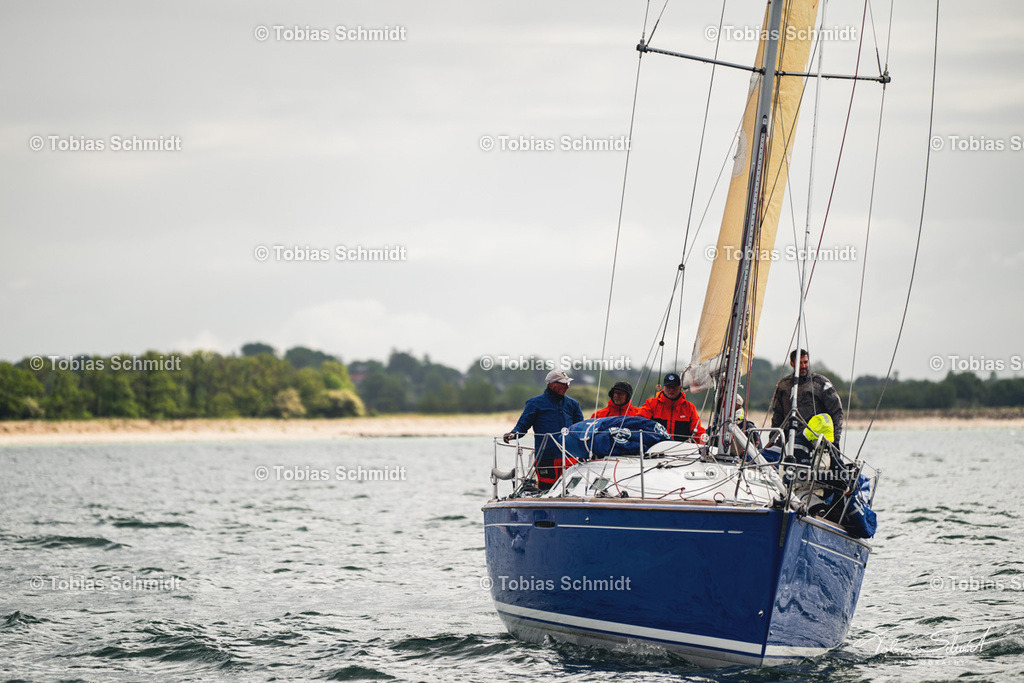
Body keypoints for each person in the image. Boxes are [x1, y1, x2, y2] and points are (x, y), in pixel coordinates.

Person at [504, 369, 585, 490]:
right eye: (564, 384)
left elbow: (580, 430)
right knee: (546, 489)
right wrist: (513, 434)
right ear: (552, 385)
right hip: (546, 457)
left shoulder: (573, 404)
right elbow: (522, 425)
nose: (567, 387)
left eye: (568, 383)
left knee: (572, 489)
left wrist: (583, 452)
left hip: (570, 456)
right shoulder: (534, 403)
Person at [770, 349, 844, 446]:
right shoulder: (783, 386)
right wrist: (771, 440)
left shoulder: (820, 383)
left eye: (805, 362)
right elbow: (777, 417)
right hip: (787, 441)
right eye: (799, 363)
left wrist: (835, 441)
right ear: (792, 364)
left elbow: (837, 412)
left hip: (813, 441)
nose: (803, 366)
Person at [636, 373, 706, 443]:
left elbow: (697, 432)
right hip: (655, 446)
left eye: (674, 387)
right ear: (663, 388)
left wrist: (702, 442)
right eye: (668, 387)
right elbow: (639, 422)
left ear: (680, 388)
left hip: (681, 448)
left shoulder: (689, 408)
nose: (671, 390)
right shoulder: (651, 404)